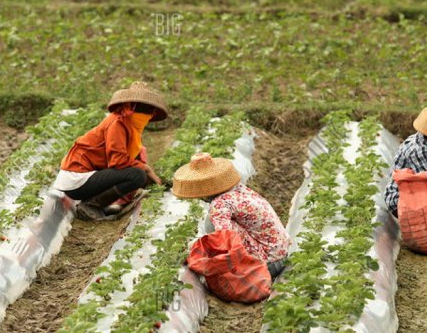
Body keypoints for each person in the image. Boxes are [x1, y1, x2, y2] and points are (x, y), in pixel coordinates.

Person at [52, 82, 166, 221]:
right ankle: (91, 205)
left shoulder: (129, 125)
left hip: (89, 176)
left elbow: (128, 158)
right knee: (137, 175)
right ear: (132, 107)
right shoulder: (117, 123)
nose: (149, 116)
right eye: (147, 110)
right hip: (77, 179)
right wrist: (146, 169)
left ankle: (100, 203)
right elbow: (118, 162)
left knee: (138, 171)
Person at [172, 152, 292, 280]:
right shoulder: (240, 189)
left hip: (267, 266)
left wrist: (196, 252)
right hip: (282, 255)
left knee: (211, 224)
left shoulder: (220, 204)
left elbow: (225, 240)